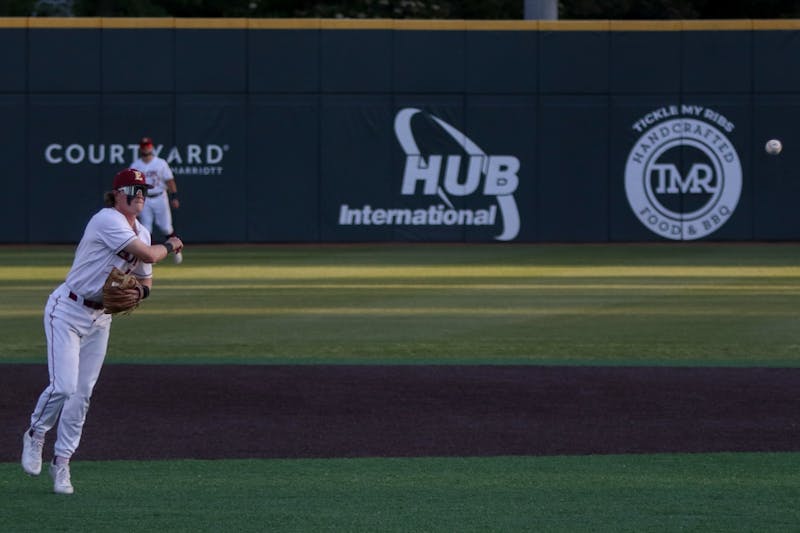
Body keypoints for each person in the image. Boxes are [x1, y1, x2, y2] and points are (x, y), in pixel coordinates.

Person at [21, 168, 184, 495]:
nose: (139, 195)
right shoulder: (106, 219)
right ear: (118, 194)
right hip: (66, 309)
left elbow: (147, 279)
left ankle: (62, 462)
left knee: (81, 396)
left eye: (143, 191)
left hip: (100, 318)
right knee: (64, 387)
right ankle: (36, 433)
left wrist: (141, 292)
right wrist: (172, 244)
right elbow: (150, 255)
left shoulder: (143, 230)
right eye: (133, 190)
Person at [130, 136, 183, 264]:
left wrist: (174, 196)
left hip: (160, 196)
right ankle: (150, 255)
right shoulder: (136, 165)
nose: (146, 148)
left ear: (151, 147)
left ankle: (177, 249)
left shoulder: (160, 163)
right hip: (144, 199)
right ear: (140, 148)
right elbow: (132, 184)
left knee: (166, 228)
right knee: (146, 229)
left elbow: (170, 181)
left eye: (148, 145)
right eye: (144, 146)